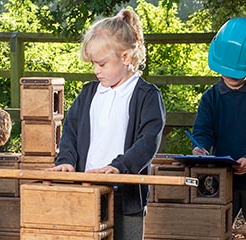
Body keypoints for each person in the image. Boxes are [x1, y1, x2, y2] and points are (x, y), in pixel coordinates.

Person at [47, 9, 166, 240]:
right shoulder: (89, 93)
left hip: (126, 197)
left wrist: (120, 166)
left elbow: (148, 141)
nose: (96, 70)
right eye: (93, 64)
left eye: (101, 64)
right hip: (87, 190)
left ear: (125, 57)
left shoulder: (147, 95)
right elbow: (70, 132)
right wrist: (67, 162)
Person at [191, 18, 246, 226]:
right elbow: (203, 130)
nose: (230, 75)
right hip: (221, 177)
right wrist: (200, 147)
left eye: (236, 72)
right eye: (226, 70)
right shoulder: (210, 98)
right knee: (212, 230)